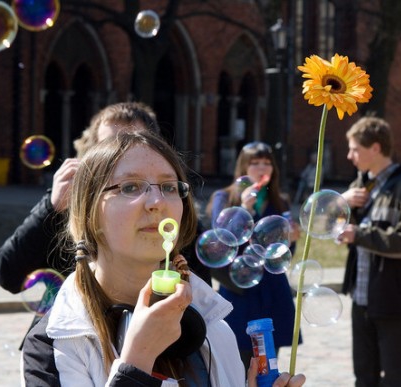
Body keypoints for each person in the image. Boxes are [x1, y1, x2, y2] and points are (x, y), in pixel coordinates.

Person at [21, 130, 306, 387]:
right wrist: (136, 363)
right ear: (88, 211)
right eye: (130, 187)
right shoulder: (51, 346)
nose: (157, 202)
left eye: (169, 187)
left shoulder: (214, 325)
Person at [0, 101, 212, 294]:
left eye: (134, 143)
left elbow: (203, 296)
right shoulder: (65, 205)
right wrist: (51, 207)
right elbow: (9, 276)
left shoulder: (172, 215)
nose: (121, 154)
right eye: (111, 145)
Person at [336, 116, 401, 387]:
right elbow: (333, 225)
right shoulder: (360, 186)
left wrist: (359, 234)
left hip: (393, 300)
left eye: (355, 149)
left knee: (395, 378)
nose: (350, 156)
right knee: (364, 376)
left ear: (375, 148)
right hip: (361, 298)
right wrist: (343, 204)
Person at [205, 141, 301, 371]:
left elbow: (283, 254)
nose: (262, 168)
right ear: (243, 168)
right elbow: (221, 243)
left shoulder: (280, 201)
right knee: (238, 364)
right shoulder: (225, 197)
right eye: (255, 163)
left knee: (267, 366)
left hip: (272, 290)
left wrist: (293, 240)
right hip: (240, 290)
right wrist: (245, 210)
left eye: (267, 163)